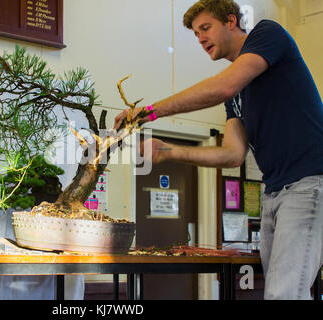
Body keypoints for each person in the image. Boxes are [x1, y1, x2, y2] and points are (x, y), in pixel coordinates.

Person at [114, 0, 323, 300]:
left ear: (230, 21)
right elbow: (232, 154)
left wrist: (149, 112)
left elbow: (222, 86)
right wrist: (169, 152)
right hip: (274, 192)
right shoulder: (236, 96)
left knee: (284, 294)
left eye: (205, 28)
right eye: (195, 33)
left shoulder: (268, 34)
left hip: (307, 183)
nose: (200, 38)